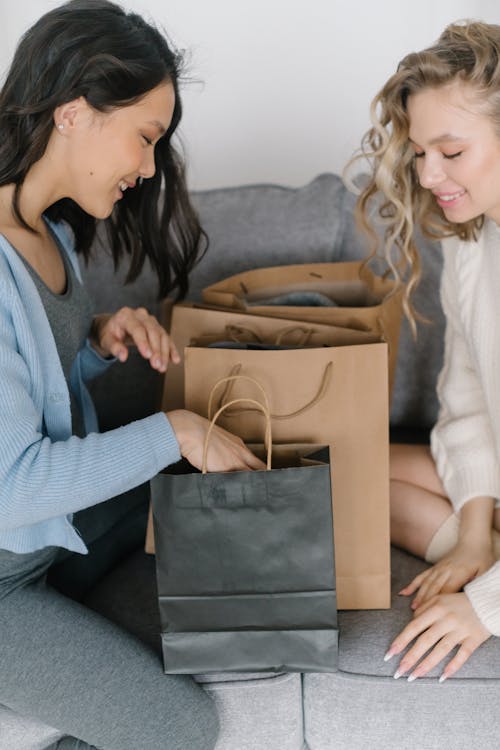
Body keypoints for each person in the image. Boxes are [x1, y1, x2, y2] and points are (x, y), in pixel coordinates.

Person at [0, 1, 265, 748]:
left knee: (180, 497)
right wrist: (175, 429)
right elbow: (12, 484)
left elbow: (24, 383)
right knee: (180, 728)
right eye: (145, 137)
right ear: (73, 111)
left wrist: (93, 341)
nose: (149, 167)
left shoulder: (46, 232)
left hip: (44, 544)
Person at [352, 20, 500, 683]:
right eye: (419, 152)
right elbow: (466, 397)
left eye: (451, 151)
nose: (429, 173)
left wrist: (485, 608)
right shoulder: (473, 238)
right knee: (333, 473)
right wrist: (472, 532)